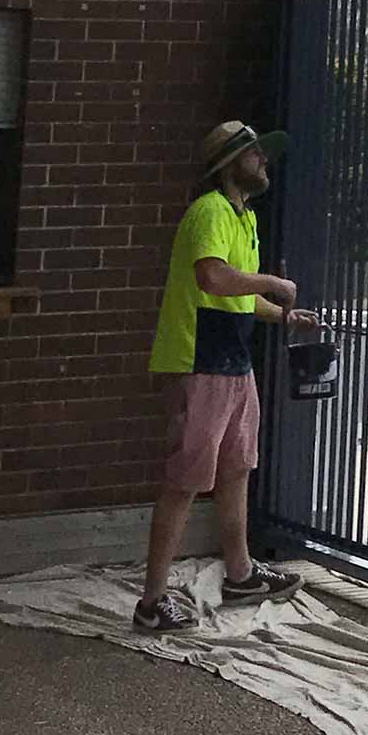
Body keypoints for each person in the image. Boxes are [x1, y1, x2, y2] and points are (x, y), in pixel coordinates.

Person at [134, 119, 315, 633]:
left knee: (237, 467)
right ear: (230, 163)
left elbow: (234, 291)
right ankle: (151, 602)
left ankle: (239, 574)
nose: (263, 161)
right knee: (184, 480)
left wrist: (281, 315)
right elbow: (211, 276)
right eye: (255, 153)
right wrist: (275, 282)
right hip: (199, 359)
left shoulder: (244, 218)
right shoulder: (210, 211)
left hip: (234, 362)